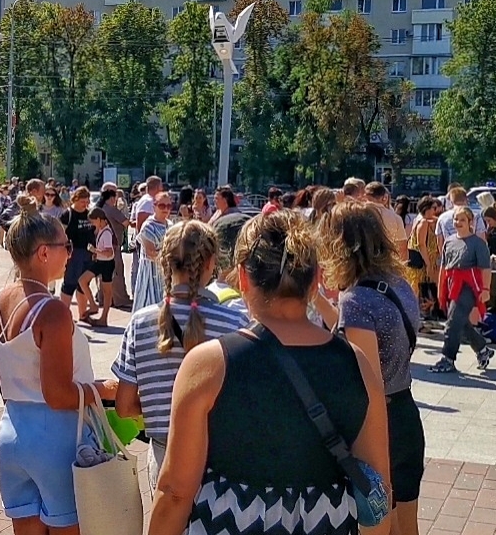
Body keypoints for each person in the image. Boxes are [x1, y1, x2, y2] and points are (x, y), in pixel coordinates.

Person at [149, 210, 390, 535]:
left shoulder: (210, 364)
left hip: (230, 521)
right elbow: (378, 491)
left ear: (243, 278)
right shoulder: (356, 363)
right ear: (316, 280)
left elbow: (176, 492)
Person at [0, 195, 116, 533]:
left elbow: (1, 380)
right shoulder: (52, 310)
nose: (70, 252)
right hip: (55, 438)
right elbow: (58, 395)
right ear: (44, 252)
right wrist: (102, 389)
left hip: (12, 429)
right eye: (66, 245)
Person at [114, 220, 248, 490]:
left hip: (164, 454)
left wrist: (157, 408)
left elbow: (124, 406)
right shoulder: (236, 322)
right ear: (211, 262)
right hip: (218, 456)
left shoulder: (140, 323)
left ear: (164, 261)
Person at [318, 202, 424, 535]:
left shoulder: (357, 299)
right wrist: (319, 300)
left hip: (377, 423)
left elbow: (368, 380)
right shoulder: (399, 284)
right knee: (408, 525)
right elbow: (358, 330)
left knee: (378, 526)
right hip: (406, 414)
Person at [431, 207, 494, 373]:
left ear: (470, 222)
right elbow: (444, 268)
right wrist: (441, 289)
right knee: (460, 321)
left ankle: (447, 358)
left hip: (469, 287)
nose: (458, 223)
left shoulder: (478, 244)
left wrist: (486, 289)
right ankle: (482, 349)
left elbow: (485, 269)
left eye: (462, 220)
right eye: (455, 219)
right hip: (453, 285)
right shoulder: (449, 241)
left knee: (452, 322)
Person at [59, 187, 95, 321]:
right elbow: (60, 234)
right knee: (69, 283)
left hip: (88, 253)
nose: (85, 204)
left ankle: (83, 314)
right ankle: (63, 316)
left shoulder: (90, 214)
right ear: (75, 199)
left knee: (83, 284)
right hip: (73, 254)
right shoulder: (67, 215)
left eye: (87, 202)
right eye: (82, 201)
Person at [133, 191, 172, 312]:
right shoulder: (148, 226)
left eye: (168, 206)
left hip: (165, 273)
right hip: (150, 272)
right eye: (162, 206)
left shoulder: (170, 224)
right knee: (149, 306)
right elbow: (151, 252)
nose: (165, 209)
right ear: (154, 206)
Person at [78, 207, 117, 327]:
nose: (92, 224)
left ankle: (104, 317)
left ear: (99, 219)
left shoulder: (106, 233)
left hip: (106, 263)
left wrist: (96, 251)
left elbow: (109, 252)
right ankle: (93, 305)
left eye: (93, 221)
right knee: (82, 280)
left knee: (107, 292)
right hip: (100, 262)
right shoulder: (101, 230)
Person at [407, 196, 442, 321]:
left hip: (425, 260)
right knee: (421, 288)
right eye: (433, 208)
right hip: (423, 261)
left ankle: (425, 314)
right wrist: (428, 264)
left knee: (423, 288)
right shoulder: (423, 222)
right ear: (427, 208)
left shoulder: (421, 219)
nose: (436, 210)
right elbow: (421, 244)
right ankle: (422, 316)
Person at [98, 187, 132, 308]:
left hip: (101, 245)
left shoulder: (99, 209)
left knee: (103, 273)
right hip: (113, 244)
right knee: (117, 272)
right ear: (112, 198)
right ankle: (120, 299)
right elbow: (126, 223)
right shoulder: (112, 210)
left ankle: (103, 298)